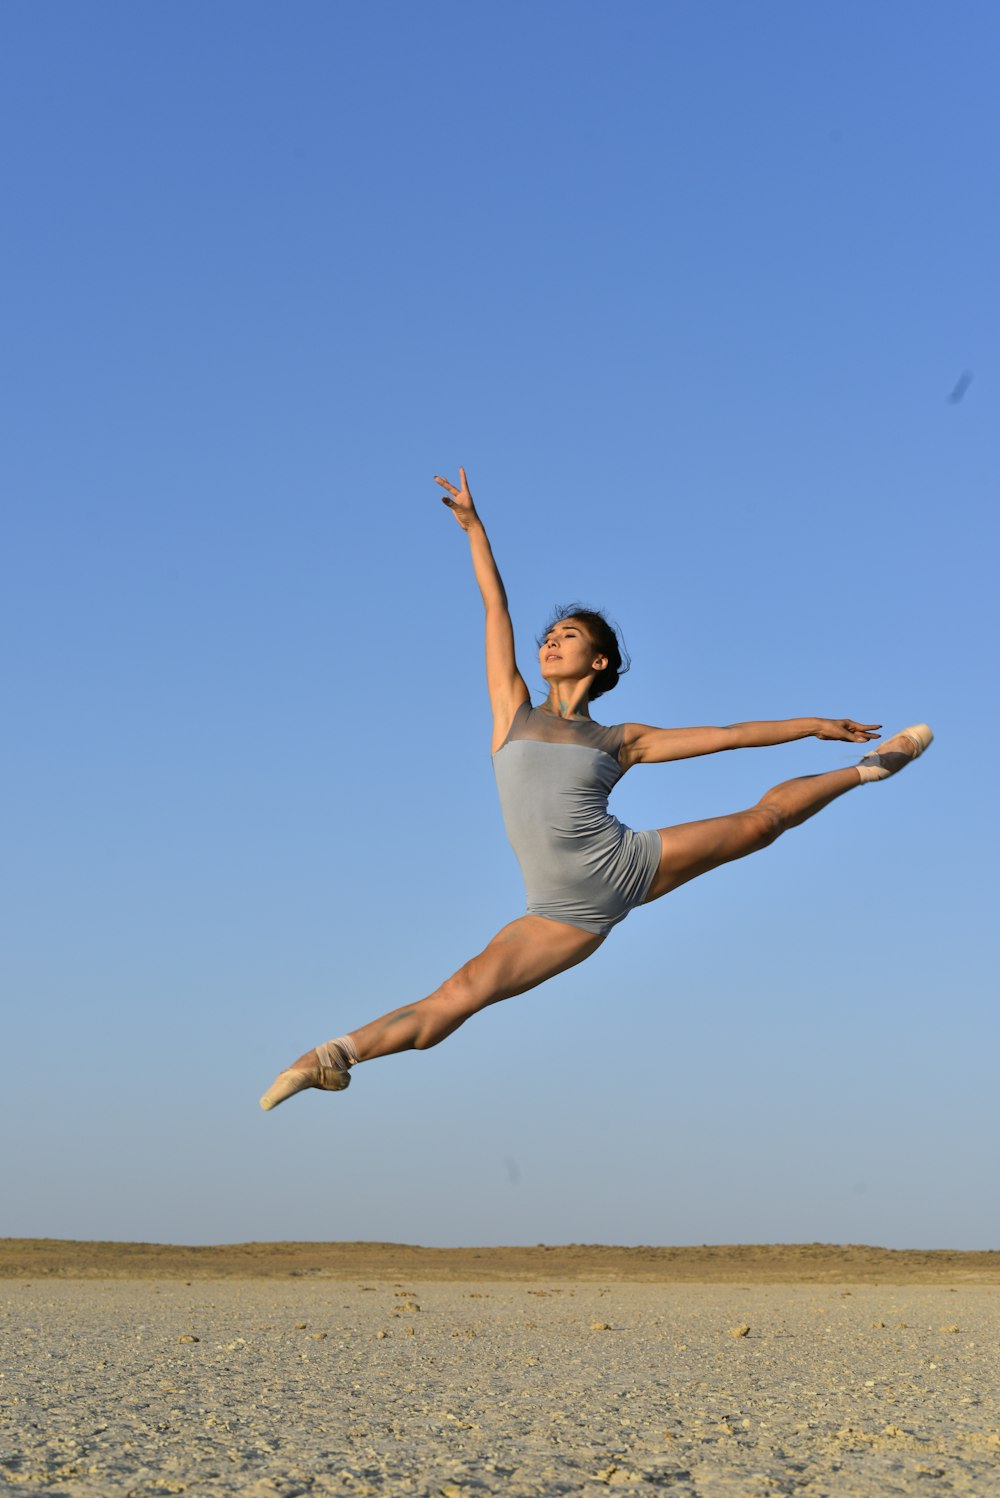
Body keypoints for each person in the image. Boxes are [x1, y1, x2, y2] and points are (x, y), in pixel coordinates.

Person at [260, 468, 931, 1110]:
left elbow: (727, 734)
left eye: (568, 636)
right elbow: (495, 607)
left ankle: (866, 769)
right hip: (560, 914)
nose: (551, 642)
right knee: (459, 994)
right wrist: (472, 527)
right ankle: (334, 1055)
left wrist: (813, 725)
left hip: (623, 862)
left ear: (599, 660)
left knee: (760, 825)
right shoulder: (512, 712)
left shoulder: (620, 739)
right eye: (549, 636)